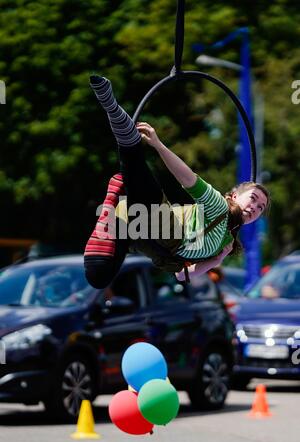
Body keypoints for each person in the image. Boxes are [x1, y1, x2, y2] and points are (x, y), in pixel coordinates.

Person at [84, 75, 270, 288]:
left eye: (260, 208)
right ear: (235, 195)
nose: (255, 207)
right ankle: (111, 105)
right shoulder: (218, 205)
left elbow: (182, 275)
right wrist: (158, 145)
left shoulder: (225, 245)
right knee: (133, 158)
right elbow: (187, 177)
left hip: (136, 235)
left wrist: (216, 260)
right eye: (253, 199)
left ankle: (115, 200)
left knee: (97, 277)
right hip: (162, 224)